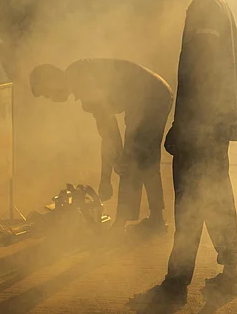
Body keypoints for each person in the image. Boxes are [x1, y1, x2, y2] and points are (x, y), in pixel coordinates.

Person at [159, 0, 237, 300]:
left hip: (202, 124)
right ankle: (228, 270)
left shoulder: (205, 9)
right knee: (215, 194)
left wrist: (183, 125)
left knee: (190, 199)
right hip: (214, 123)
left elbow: (202, 74)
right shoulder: (215, 4)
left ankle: (178, 279)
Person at [29, 59, 173, 234]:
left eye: (46, 93)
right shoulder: (78, 75)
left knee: (131, 159)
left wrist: (107, 177)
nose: (50, 98)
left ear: (51, 80)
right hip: (158, 92)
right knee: (146, 160)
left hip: (149, 98)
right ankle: (156, 220)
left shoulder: (82, 81)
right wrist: (107, 177)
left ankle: (120, 226)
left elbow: (110, 135)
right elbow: (109, 136)